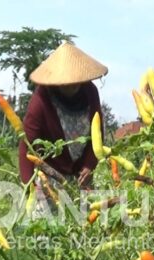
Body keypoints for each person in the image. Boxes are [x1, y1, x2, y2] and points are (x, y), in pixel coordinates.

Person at [18, 42, 108, 189]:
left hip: (81, 175)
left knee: (86, 210)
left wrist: (89, 165)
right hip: (49, 173)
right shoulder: (41, 99)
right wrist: (29, 187)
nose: (72, 85)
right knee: (48, 211)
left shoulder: (90, 92)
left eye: (75, 80)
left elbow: (96, 133)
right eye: (66, 81)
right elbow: (27, 145)